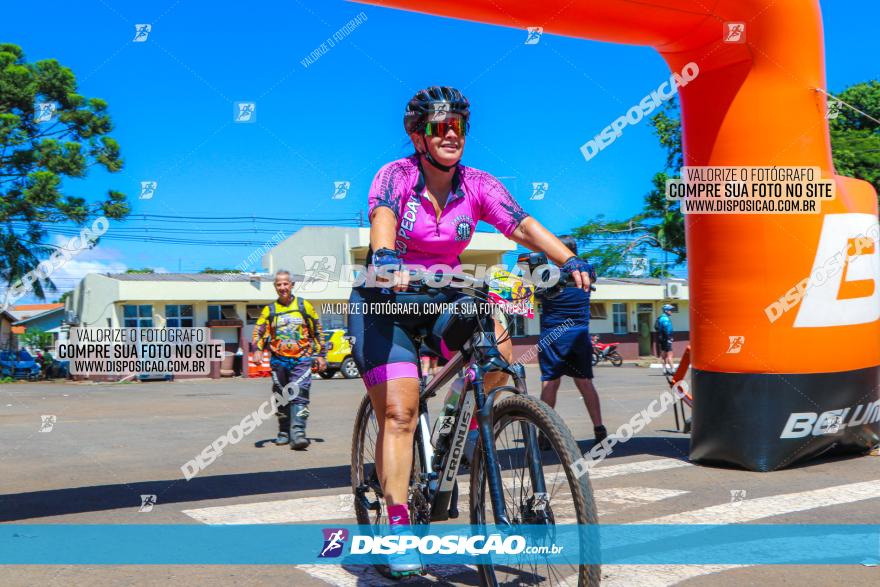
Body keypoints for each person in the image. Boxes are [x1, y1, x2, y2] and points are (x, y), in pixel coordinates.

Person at [348, 86, 593, 577]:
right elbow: (384, 215)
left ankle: (469, 422)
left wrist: (568, 258)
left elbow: (520, 225)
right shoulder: (396, 176)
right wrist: (385, 255)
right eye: (439, 127)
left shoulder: (477, 184)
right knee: (399, 411)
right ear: (418, 135)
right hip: (384, 303)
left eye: (459, 125)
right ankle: (397, 526)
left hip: (441, 298)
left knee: (496, 338)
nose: (451, 134)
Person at [536, 235, 607, 448]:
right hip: (579, 335)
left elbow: (536, 294)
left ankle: (544, 433)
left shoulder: (547, 274)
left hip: (553, 336)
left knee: (550, 383)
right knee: (585, 383)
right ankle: (599, 429)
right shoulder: (587, 271)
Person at [251, 270, 326, 450]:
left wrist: (321, 355)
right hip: (278, 361)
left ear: (292, 285)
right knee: (282, 396)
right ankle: (284, 432)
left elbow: (317, 330)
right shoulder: (270, 310)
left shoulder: (304, 306)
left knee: (299, 392)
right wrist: (257, 350)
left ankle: (298, 433)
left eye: (286, 283)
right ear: (275, 287)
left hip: (302, 359)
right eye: (279, 284)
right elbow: (258, 331)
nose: (283, 287)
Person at [656, 303, 675, 374]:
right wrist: (669, 338)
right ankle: (673, 370)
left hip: (661, 338)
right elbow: (666, 329)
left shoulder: (661, 318)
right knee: (670, 355)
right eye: (670, 310)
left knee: (663, 355)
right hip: (666, 338)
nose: (671, 311)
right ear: (666, 311)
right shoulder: (665, 319)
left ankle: (664, 370)